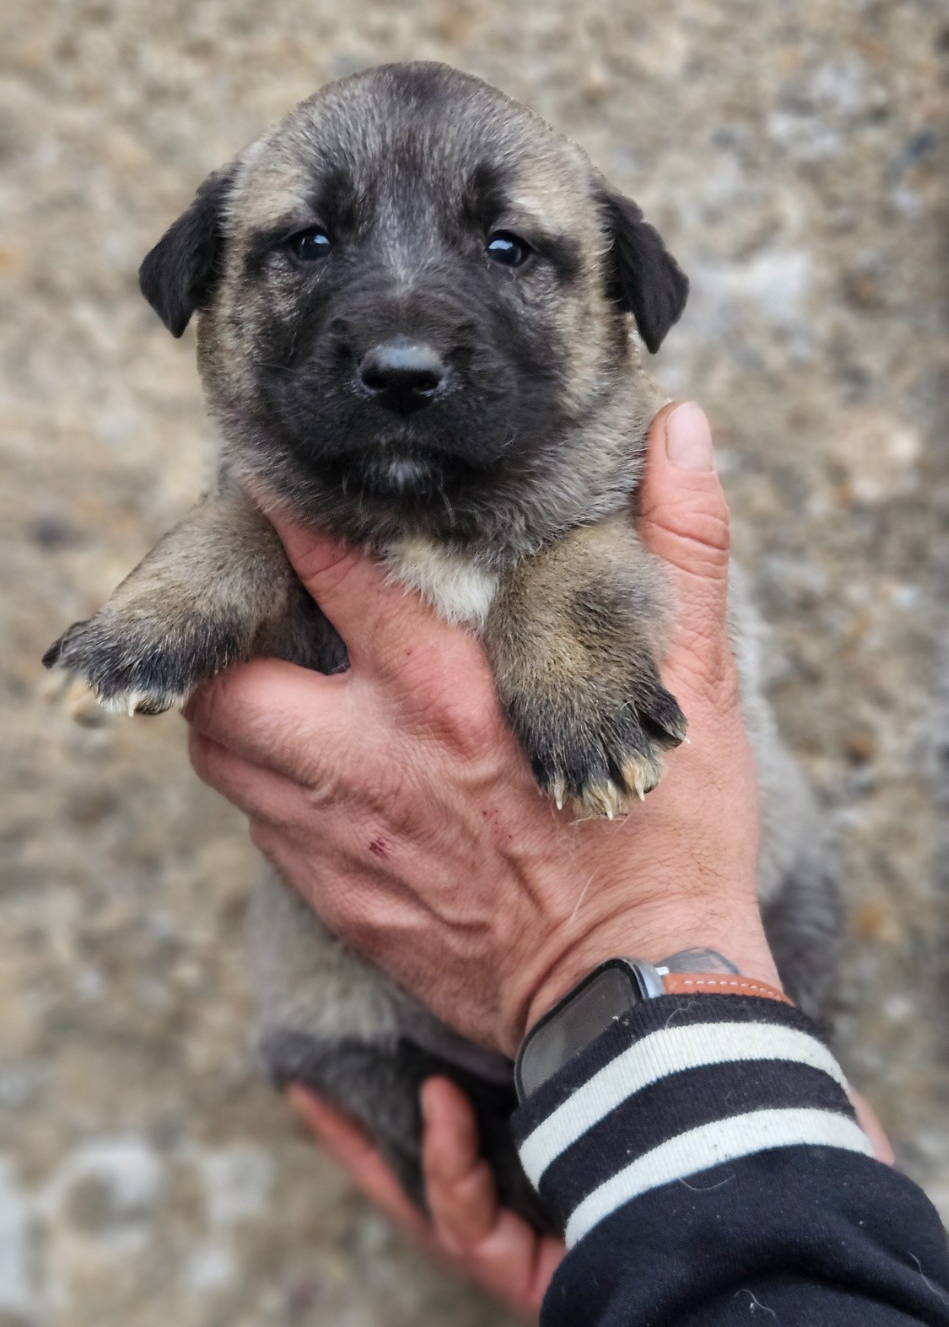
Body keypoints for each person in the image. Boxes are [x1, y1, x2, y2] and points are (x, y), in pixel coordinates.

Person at [187, 403, 949, 1324]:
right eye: (307, 244)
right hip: (632, 1137)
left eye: (510, 247)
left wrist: (600, 945)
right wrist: (704, 1236)